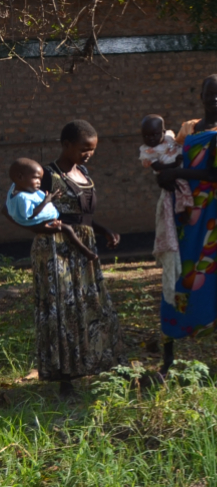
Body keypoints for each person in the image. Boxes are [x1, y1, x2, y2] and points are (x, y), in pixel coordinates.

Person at [2, 120, 125, 396]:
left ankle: (95, 366)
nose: (88, 154)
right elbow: (9, 209)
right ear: (66, 145)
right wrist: (38, 228)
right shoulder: (44, 174)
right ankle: (64, 380)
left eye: (92, 149)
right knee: (61, 312)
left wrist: (105, 230)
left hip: (82, 247)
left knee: (93, 307)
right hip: (55, 251)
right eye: (84, 148)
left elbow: (82, 215)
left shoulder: (83, 172)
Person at [154, 74, 217, 378]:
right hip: (186, 219)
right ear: (201, 96)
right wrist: (166, 173)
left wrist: (180, 172)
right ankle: (167, 360)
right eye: (210, 94)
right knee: (178, 276)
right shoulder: (187, 130)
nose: (215, 100)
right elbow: (168, 161)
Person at [138, 114, 194, 307]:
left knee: (184, 192)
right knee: (179, 193)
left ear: (163, 132)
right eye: (147, 136)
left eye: (155, 134)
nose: (151, 139)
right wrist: (175, 165)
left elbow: (182, 144)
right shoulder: (147, 151)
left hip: (179, 176)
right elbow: (158, 166)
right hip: (170, 178)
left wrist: (178, 161)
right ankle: (182, 212)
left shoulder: (171, 138)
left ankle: (185, 211)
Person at [6, 158, 97, 261]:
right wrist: (47, 201)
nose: (39, 182)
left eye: (40, 179)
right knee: (66, 229)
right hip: (40, 223)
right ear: (20, 177)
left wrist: (52, 198)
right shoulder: (22, 197)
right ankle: (84, 250)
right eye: (35, 178)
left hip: (47, 219)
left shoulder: (16, 187)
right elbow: (30, 214)